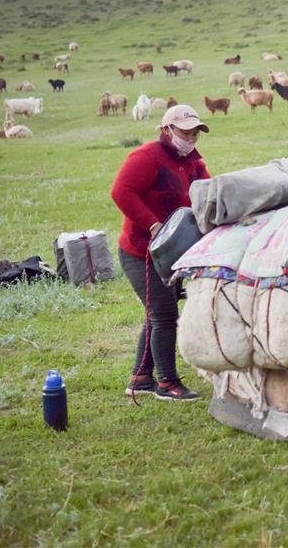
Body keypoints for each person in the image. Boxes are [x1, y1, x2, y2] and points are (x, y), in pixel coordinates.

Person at [111, 105, 211, 401]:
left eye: (195, 132)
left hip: (173, 251)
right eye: (185, 132)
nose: (191, 138)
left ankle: (141, 378)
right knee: (164, 315)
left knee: (157, 313)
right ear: (167, 130)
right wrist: (152, 224)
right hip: (141, 251)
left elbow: (207, 192)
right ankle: (167, 383)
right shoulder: (147, 156)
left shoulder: (193, 162)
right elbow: (121, 191)